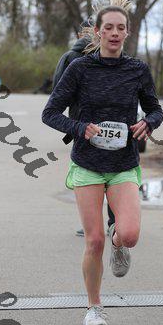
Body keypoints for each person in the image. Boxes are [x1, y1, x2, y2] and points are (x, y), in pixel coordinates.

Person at [42, 0, 163, 325]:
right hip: (87, 164)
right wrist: (80, 128)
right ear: (97, 32)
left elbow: (155, 109)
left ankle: (118, 244)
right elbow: (50, 112)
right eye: (108, 27)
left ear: (127, 32)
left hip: (124, 163)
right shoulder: (79, 68)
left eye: (120, 28)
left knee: (130, 234)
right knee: (92, 240)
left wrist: (148, 123)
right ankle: (94, 309)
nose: (114, 33)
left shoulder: (137, 70)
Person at [53, 21, 116, 237]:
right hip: (112, 124)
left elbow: (57, 92)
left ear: (81, 33)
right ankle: (114, 222)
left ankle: (93, 223)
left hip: (83, 124)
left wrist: (73, 122)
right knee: (113, 171)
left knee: (90, 173)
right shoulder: (111, 54)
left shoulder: (69, 57)